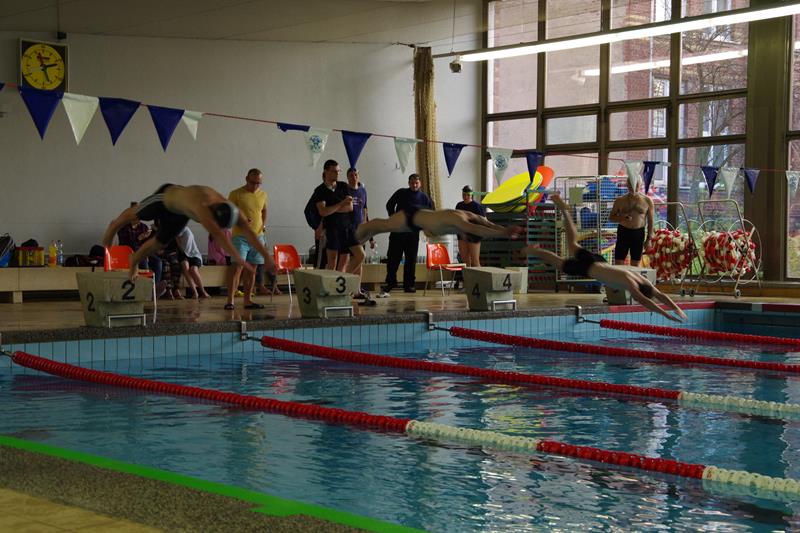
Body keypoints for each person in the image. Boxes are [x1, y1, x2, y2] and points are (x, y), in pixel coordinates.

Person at [520, 192, 687, 323]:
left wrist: (676, 308)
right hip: (589, 268)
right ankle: (533, 251)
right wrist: (666, 315)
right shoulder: (631, 285)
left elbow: (660, 295)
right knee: (559, 263)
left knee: (572, 243)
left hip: (599, 261)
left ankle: (564, 210)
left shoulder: (641, 280)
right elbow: (645, 301)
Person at [102, 184, 275, 294]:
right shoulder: (203, 206)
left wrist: (267, 256)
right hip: (166, 198)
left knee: (159, 243)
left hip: (180, 214)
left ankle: (134, 261)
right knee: (138, 213)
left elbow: (249, 232)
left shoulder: (232, 209)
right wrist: (238, 258)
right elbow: (218, 236)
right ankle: (114, 225)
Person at [310, 159, 366, 279]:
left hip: (347, 227)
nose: (337, 174)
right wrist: (341, 204)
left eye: (338, 171)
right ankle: (330, 283)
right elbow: (323, 211)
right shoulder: (320, 191)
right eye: (334, 171)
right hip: (332, 228)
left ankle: (342, 279)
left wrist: (332, 209)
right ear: (326, 172)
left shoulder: (343, 186)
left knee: (360, 255)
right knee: (332, 261)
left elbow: (350, 207)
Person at [356, 205, 523, 244]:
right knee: (382, 225)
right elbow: (479, 229)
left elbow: (486, 223)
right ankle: (356, 230)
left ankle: (357, 240)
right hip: (411, 216)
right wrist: (503, 233)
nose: (463, 238)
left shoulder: (469, 215)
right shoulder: (461, 222)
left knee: (378, 230)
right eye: (466, 238)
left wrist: (505, 229)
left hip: (417, 222)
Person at [225, 169, 270, 310]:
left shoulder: (263, 195)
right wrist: (241, 220)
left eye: (258, 183)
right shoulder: (236, 194)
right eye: (252, 182)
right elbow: (229, 213)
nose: (255, 186)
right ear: (246, 179)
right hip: (240, 237)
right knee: (237, 268)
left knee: (252, 269)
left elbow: (264, 210)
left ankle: (247, 300)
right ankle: (230, 301)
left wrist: (263, 225)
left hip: (258, 237)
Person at [382, 174, 434, 294]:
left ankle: (409, 284)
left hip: (413, 233)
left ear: (420, 184)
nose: (414, 185)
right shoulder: (401, 192)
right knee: (393, 258)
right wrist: (393, 217)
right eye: (412, 183)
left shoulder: (424, 197)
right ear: (408, 183)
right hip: (398, 231)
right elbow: (389, 204)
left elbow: (431, 211)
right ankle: (390, 282)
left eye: (416, 183)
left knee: (411, 260)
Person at [116, 201, 163, 289]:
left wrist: (152, 235)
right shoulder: (123, 227)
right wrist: (139, 238)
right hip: (128, 253)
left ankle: (154, 288)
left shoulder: (143, 227)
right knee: (143, 260)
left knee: (158, 262)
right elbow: (125, 245)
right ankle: (145, 288)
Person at [609, 177, 654, 267]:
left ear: (640, 185)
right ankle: (621, 277)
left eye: (636, 185)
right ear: (627, 185)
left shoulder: (647, 201)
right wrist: (621, 218)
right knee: (619, 262)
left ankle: (633, 277)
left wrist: (649, 239)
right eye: (631, 184)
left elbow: (650, 221)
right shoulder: (620, 200)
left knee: (635, 264)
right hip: (623, 232)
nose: (633, 187)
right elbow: (611, 217)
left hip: (638, 233)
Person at [345, 168, 375, 301]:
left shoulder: (362, 190)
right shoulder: (345, 190)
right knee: (352, 258)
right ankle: (341, 282)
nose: (354, 177)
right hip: (348, 230)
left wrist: (370, 236)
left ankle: (357, 290)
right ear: (347, 177)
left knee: (359, 261)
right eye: (351, 175)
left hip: (360, 231)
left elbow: (365, 212)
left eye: (356, 174)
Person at [455, 185, 486, 268]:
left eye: (468, 195)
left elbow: (484, 221)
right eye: (464, 195)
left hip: (474, 236)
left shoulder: (477, 206)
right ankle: (467, 277)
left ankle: (479, 276)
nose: (465, 197)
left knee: (475, 262)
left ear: (471, 195)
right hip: (462, 235)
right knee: (465, 262)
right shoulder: (459, 205)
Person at [176, 226, 210, 299]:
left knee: (193, 270)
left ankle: (203, 291)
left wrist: (176, 238)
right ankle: (195, 292)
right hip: (183, 255)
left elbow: (185, 249)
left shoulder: (185, 230)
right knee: (185, 266)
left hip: (194, 255)